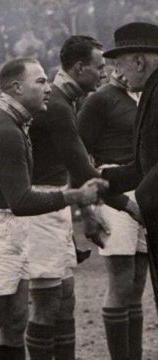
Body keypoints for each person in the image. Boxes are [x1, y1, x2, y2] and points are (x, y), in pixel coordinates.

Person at [0, 57, 108, 360]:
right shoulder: (5, 130)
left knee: (14, 324)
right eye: (39, 81)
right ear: (15, 88)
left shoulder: (12, 122)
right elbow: (21, 201)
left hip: (3, 227)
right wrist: (74, 196)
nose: (48, 87)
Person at [26, 36, 138, 360]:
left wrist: (87, 210)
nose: (104, 74)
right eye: (99, 67)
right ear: (79, 68)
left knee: (65, 300)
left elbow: (75, 167)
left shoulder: (68, 100)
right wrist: (130, 207)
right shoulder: (59, 105)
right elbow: (82, 167)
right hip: (40, 205)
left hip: (56, 201)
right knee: (47, 305)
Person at [78, 70, 148, 360]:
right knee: (120, 281)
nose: (120, 71)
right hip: (113, 192)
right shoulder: (100, 100)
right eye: (114, 64)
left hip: (145, 191)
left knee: (138, 284)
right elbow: (79, 154)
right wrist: (92, 202)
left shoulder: (144, 97)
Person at [101, 21, 158, 317]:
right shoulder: (148, 93)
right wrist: (100, 182)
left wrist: (144, 202)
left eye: (119, 64)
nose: (117, 73)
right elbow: (143, 165)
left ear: (139, 61)